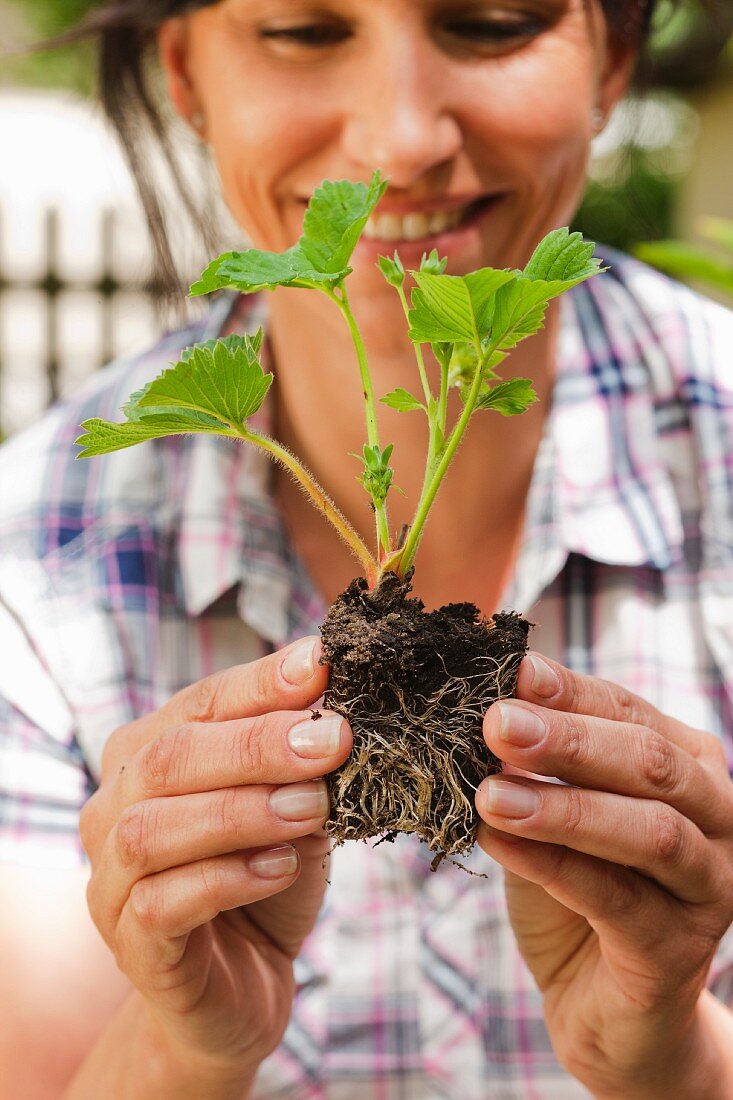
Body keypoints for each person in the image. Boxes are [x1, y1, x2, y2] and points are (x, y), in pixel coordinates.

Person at [1, 0, 732, 1096]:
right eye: (300, 27)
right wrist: (180, 1044)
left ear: (613, 58)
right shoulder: (37, 556)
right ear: (186, 74)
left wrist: (672, 1054)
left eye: (492, 21)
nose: (400, 140)